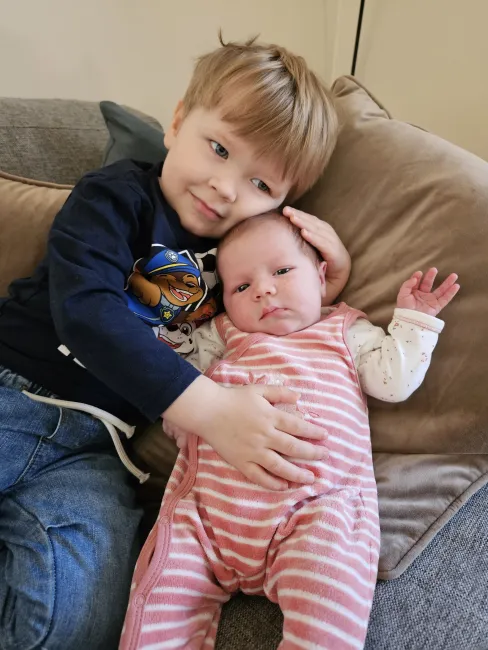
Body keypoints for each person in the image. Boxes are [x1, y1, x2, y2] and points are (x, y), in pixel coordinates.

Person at [0, 37, 349, 650]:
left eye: (260, 183)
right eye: (219, 148)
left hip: (100, 451)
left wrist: (329, 278)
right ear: (180, 121)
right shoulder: (116, 197)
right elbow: (86, 310)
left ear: (283, 202)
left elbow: (276, 323)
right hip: (16, 389)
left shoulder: (241, 262)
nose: (226, 188)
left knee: (73, 620)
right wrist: (211, 410)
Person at [120, 212, 460, 650]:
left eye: (281, 271)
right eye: (241, 287)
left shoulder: (345, 330)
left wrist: (414, 321)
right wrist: (180, 417)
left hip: (316, 509)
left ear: (321, 277)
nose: (263, 289)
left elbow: (393, 382)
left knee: (330, 600)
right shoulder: (221, 336)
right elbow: (174, 384)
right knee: (158, 607)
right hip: (204, 519)